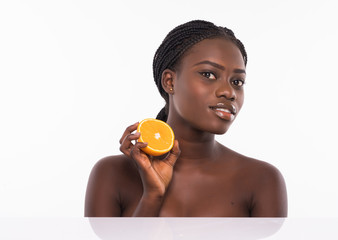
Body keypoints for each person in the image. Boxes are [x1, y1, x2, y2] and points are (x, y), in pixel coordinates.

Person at [84, 20, 288, 217]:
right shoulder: (112, 175)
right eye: (208, 74)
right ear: (169, 81)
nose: (229, 92)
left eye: (237, 81)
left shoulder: (262, 181)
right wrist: (152, 196)